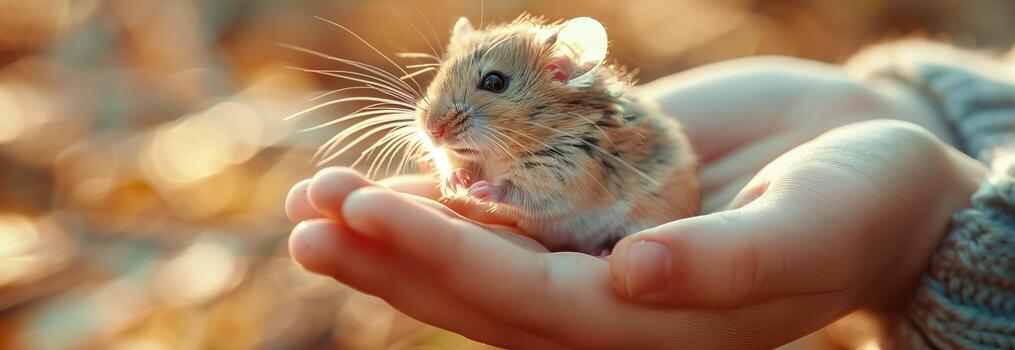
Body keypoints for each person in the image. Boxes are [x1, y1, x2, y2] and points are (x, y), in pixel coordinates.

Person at [284, 40, 1014, 349]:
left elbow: (555, 189)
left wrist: (930, 216)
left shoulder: (588, 137)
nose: (439, 117)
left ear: (563, 74)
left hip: (627, 212)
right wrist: (919, 109)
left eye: (493, 87)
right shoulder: (499, 133)